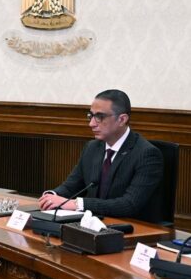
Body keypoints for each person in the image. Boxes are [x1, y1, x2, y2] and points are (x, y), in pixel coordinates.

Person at [38, 89, 163, 220]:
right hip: (93, 223)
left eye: (100, 117)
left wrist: (77, 204)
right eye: (91, 116)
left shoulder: (147, 154)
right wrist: (50, 197)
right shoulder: (92, 147)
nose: (91, 123)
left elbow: (129, 205)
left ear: (122, 119)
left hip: (131, 226)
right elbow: (71, 186)